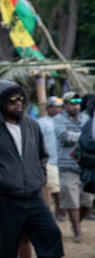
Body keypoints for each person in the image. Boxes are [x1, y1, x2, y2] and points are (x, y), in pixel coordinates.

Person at [0, 80, 63, 257]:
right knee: (7, 247)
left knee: (51, 235)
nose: (18, 102)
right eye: (12, 99)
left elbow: (42, 155)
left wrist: (39, 178)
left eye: (20, 98)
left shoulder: (32, 125)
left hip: (34, 197)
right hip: (6, 200)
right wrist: (3, 181)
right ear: (0, 102)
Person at [54, 91, 92, 242]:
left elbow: (89, 138)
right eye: (72, 103)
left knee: (87, 200)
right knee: (71, 200)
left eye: (77, 103)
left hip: (86, 165)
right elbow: (64, 135)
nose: (75, 106)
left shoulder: (86, 118)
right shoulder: (58, 119)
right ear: (65, 105)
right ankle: (78, 231)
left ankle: (76, 224)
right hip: (67, 166)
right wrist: (83, 137)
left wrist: (79, 137)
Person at [37, 96, 64, 219]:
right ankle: (57, 212)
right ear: (48, 108)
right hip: (50, 161)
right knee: (53, 188)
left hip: (63, 160)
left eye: (60, 107)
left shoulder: (64, 120)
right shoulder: (41, 122)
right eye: (55, 107)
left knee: (61, 188)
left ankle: (60, 211)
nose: (58, 109)